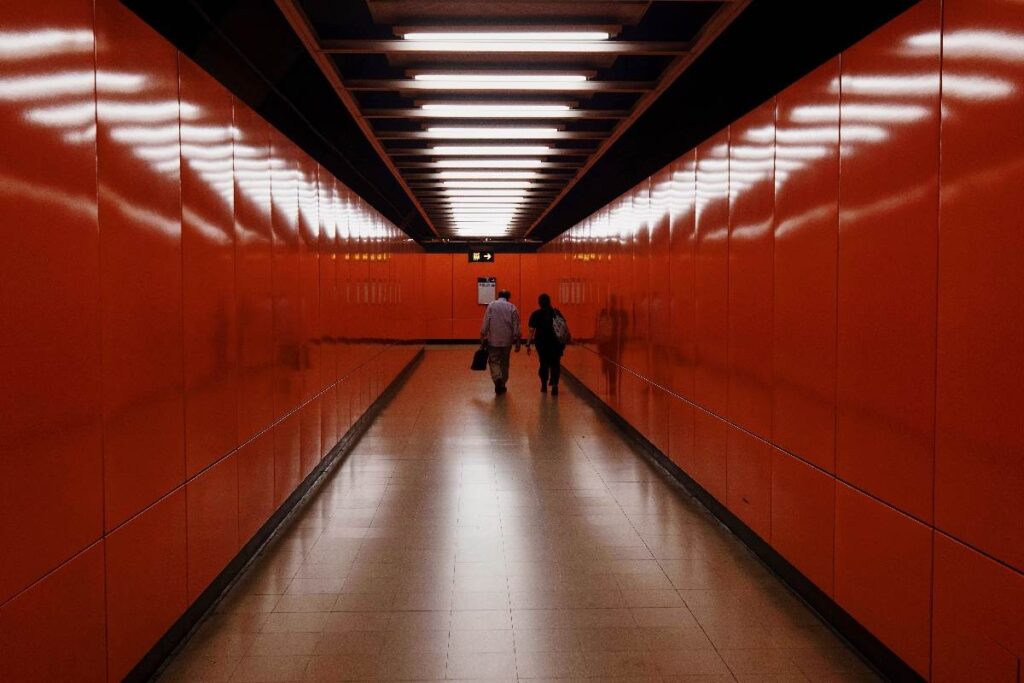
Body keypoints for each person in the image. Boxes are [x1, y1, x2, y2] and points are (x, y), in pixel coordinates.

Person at [480, 289, 521, 394]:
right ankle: (502, 384)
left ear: (498, 296)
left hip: (493, 340)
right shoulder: (512, 307)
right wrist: (517, 342)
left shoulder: (491, 306)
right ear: (508, 297)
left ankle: (497, 377)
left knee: (494, 361)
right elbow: (516, 325)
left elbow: (486, 321)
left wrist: (483, 334)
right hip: (507, 341)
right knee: (505, 362)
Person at [525, 293, 567, 395]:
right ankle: (555, 385)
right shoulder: (556, 312)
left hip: (542, 342)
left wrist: (528, 343)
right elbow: (563, 325)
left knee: (543, 363)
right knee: (555, 363)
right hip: (556, 343)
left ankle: (544, 385)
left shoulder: (536, 314)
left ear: (539, 303)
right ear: (549, 302)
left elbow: (531, 330)